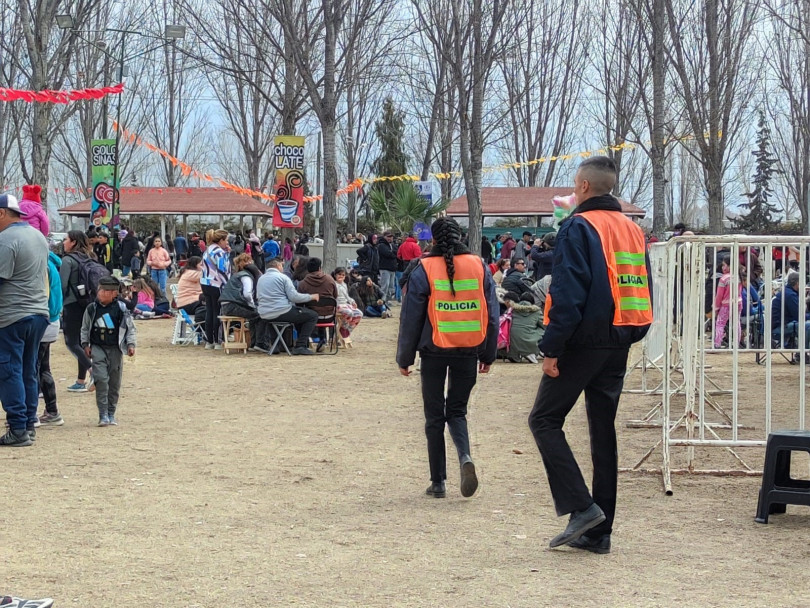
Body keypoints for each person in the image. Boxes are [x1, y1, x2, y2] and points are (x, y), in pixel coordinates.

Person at [528, 156, 652, 554]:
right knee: (603, 433)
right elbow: (641, 284)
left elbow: (567, 293)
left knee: (544, 420)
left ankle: (582, 508)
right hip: (620, 339)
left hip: (583, 341)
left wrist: (551, 348)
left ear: (582, 186)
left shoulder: (578, 226)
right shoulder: (633, 230)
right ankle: (600, 533)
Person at [396, 216, 499, 498]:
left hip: (433, 351)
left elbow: (411, 318)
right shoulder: (480, 266)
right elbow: (491, 315)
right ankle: (465, 455)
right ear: (461, 236)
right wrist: (488, 353)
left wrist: (404, 358)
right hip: (469, 348)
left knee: (434, 415)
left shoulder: (423, 268)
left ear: (433, 240)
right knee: (457, 411)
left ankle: (438, 482)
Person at [0, 195, 50, 447]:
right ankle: (29, 424)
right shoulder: (38, 236)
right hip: (39, 313)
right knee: (29, 370)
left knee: (8, 371)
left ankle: (17, 427)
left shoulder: (6, 240)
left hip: (12, 315)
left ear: (2, 213)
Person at [81, 276, 137, 426]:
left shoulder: (121, 309)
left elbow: (130, 328)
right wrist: (85, 344)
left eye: (106, 291)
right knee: (101, 380)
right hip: (98, 348)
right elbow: (85, 327)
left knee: (114, 382)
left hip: (115, 349)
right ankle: (103, 414)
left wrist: (131, 344)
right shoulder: (92, 308)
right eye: (100, 290)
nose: (101, 293)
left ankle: (111, 412)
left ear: (114, 293)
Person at [257, 257, 320, 355]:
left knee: (273, 317)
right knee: (312, 315)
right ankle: (301, 345)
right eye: (282, 265)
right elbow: (294, 297)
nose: (283, 268)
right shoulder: (283, 278)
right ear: (278, 266)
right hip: (281, 311)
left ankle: (275, 345)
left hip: (264, 313)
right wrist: (311, 297)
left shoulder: (261, 278)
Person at [60, 230, 96, 392]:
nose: (63, 242)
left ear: (73, 242)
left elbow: (62, 285)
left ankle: (92, 370)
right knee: (83, 342)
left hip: (72, 304)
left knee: (71, 342)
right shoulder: (89, 257)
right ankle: (81, 381)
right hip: (88, 304)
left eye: (66, 239)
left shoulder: (68, 260)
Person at [219, 253, 268, 351]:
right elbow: (247, 294)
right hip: (233, 305)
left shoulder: (237, 275)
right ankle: (260, 343)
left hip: (226, 305)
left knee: (254, 316)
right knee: (261, 315)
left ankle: (254, 343)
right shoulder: (246, 276)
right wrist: (253, 305)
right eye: (249, 261)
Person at [38, 250, 64, 426]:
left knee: (33, 369)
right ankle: (52, 410)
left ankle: (30, 415)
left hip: (43, 320)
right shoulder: (52, 264)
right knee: (43, 368)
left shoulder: (43, 267)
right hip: (52, 321)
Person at [298, 257, 339, 351]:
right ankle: (322, 340)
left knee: (311, 311)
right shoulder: (330, 279)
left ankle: (305, 341)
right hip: (329, 316)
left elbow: (299, 302)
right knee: (322, 309)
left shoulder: (303, 283)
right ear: (320, 268)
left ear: (308, 269)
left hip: (312, 317)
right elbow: (335, 296)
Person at [200, 229, 231, 349]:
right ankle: (218, 340)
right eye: (226, 240)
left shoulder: (207, 250)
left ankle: (209, 340)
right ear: (221, 240)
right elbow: (223, 268)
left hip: (205, 282)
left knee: (209, 311)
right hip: (217, 283)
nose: (227, 243)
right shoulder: (219, 252)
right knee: (218, 312)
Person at [771, 272, 810, 349]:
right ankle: (802, 353)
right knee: (808, 326)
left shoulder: (787, 292)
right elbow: (800, 316)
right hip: (780, 328)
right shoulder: (790, 295)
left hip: (781, 325)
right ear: (797, 283)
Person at [504, 292, 543, 364]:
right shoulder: (537, 311)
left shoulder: (511, 310)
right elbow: (544, 325)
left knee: (514, 330)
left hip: (510, 342)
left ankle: (514, 354)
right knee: (543, 331)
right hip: (529, 341)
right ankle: (531, 352)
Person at [713, 255, 742, 349]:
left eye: (724, 265)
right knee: (736, 323)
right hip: (738, 303)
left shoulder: (724, 279)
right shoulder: (738, 277)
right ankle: (736, 344)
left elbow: (719, 295)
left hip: (726, 304)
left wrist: (716, 307)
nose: (722, 267)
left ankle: (717, 344)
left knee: (720, 323)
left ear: (729, 266)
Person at [332, 266, 363, 341]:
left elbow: (347, 296)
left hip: (345, 304)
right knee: (349, 313)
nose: (341, 276)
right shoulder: (333, 284)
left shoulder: (344, 285)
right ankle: (343, 327)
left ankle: (347, 330)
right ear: (335, 275)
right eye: (339, 274)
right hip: (338, 305)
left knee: (359, 313)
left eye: (343, 275)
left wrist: (352, 301)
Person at [378, 231, 398, 304]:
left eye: (391, 236)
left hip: (392, 268)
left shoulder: (393, 245)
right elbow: (387, 254)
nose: (390, 238)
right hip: (384, 267)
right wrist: (393, 253)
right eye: (388, 236)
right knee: (384, 285)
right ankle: (382, 300)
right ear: (384, 237)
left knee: (391, 286)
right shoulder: (381, 245)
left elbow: (397, 253)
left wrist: (393, 253)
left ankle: (388, 300)